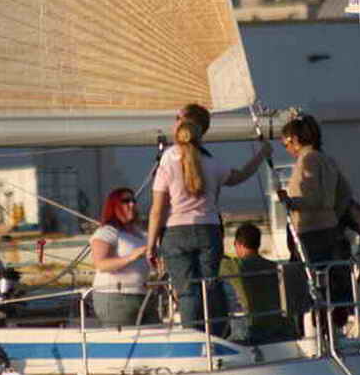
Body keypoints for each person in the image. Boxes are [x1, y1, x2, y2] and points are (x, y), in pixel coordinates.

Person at [147, 103, 271, 334]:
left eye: (177, 118)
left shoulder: (168, 158)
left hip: (176, 232)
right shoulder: (212, 162)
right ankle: (215, 336)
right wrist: (262, 155)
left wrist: (150, 245)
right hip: (209, 231)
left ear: (183, 125)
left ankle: (194, 339)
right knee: (210, 287)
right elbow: (239, 176)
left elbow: (157, 209)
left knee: (188, 292)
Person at [276, 114, 354, 327]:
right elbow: (345, 193)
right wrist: (333, 215)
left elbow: (314, 198)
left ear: (294, 139)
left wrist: (289, 201)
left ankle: (310, 327)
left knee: (308, 284)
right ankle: (334, 324)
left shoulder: (307, 160)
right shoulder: (326, 159)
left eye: (285, 144)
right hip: (330, 229)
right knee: (330, 282)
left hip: (311, 232)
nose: (287, 149)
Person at [219, 222, 297, 344]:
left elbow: (213, 261)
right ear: (258, 244)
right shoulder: (276, 268)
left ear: (238, 244)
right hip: (284, 329)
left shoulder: (236, 266)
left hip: (257, 331)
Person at [90, 188, 156, 326]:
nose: (132, 204)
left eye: (133, 201)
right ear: (114, 205)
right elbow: (101, 264)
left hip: (143, 295)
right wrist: (131, 257)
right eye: (126, 201)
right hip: (116, 296)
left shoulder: (140, 234)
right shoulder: (106, 232)